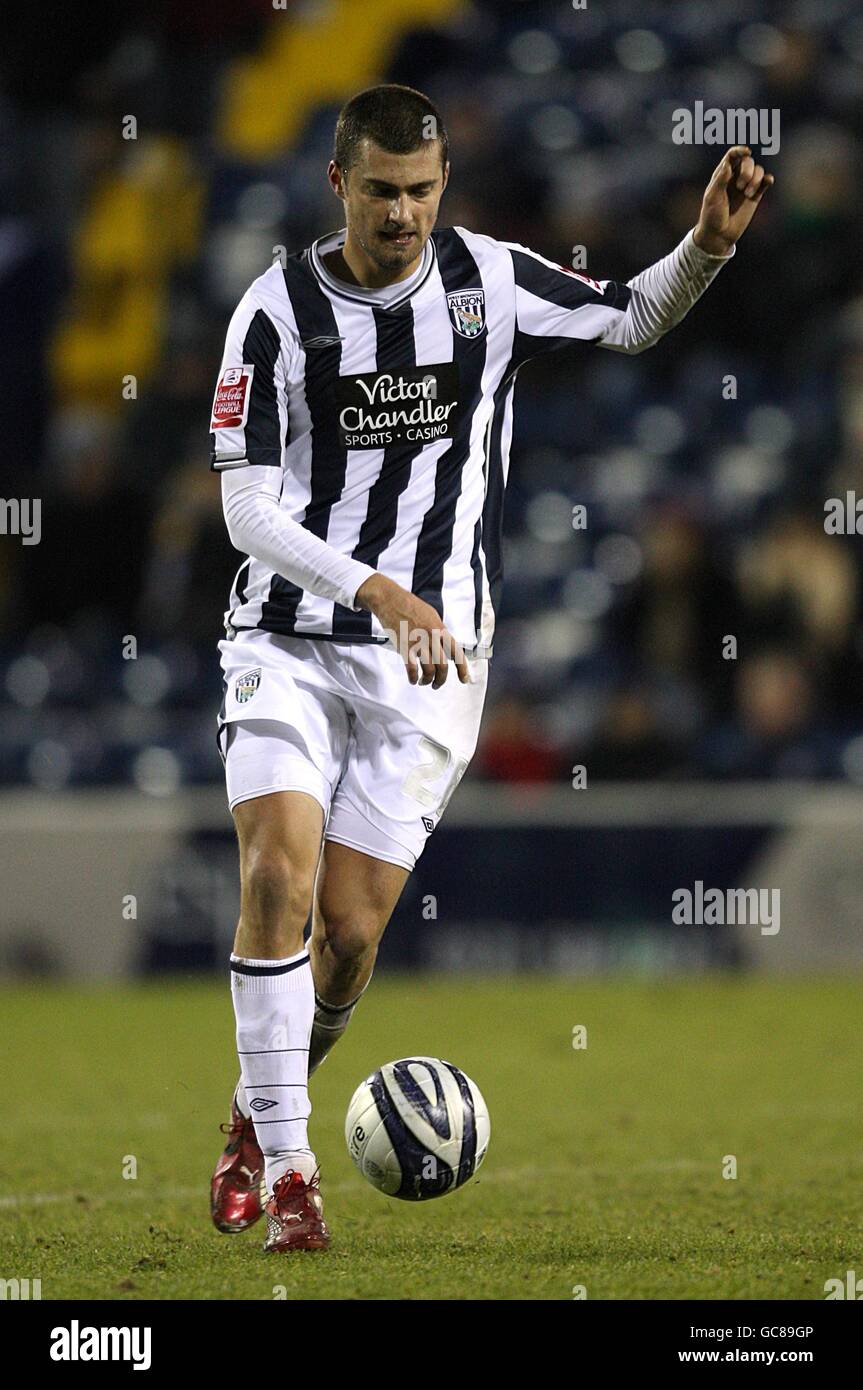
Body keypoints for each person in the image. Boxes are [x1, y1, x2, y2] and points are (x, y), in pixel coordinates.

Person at [208, 84, 772, 1251]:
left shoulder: (489, 282)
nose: (403, 213)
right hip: (289, 634)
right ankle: (295, 1173)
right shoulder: (271, 315)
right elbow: (246, 509)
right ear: (338, 184)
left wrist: (706, 248)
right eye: (381, 191)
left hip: (431, 663)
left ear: (442, 184)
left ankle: (254, 1117)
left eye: (421, 190)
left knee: (350, 934)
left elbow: (628, 318)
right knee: (278, 869)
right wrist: (372, 587)